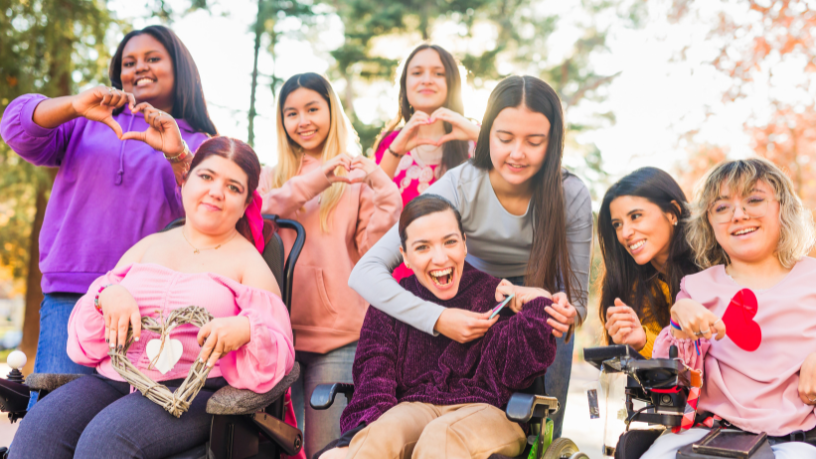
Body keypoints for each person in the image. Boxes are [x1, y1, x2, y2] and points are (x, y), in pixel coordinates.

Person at [10, 136, 296, 459]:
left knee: (106, 441)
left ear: (245, 204)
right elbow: (84, 335)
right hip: (113, 377)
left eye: (233, 187)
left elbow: (279, 348)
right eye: (206, 176)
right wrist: (108, 296)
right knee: (40, 428)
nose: (216, 191)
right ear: (186, 181)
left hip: (189, 390)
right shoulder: (148, 246)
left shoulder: (249, 264)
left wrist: (245, 329)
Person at [348, 75, 591, 439]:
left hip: (536, 313)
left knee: (540, 434)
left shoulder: (570, 194)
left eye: (534, 141)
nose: (517, 153)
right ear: (486, 134)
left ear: (552, 141)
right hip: (473, 305)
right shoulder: (461, 184)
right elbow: (365, 272)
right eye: (505, 139)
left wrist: (568, 313)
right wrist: (439, 317)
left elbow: (577, 299)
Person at [0, 25, 216, 379]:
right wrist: (74, 105)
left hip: (149, 303)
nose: (139, 68)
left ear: (179, 69)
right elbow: (15, 125)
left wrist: (177, 154)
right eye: (129, 62)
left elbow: (206, 216)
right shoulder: (84, 123)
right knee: (55, 418)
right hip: (71, 292)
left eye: (152, 58)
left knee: (121, 424)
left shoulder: (199, 143)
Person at [318, 195, 557, 459]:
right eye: (423, 247)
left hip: (489, 411)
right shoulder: (392, 304)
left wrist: (534, 299)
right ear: (405, 257)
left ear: (465, 244)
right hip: (415, 406)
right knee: (382, 433)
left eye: (450, 242)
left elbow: (520, 367)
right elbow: (374, 378)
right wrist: (354, 438)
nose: (440, 258)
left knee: (441, 436)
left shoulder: (496, 295)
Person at [258, 73, 402, 456]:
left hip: (337, 340)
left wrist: (380, 184)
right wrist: (318, 178)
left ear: (331, 111)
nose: (302, 120)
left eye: (312, 109)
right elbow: (262, 214)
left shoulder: (355, 181)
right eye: (292, 113)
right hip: (276, 339)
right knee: (278, 449)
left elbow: (373, 249)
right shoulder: (271, 178)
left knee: (328, 450)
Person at [642, 158, 816, 458]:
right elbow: (673, 380)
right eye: (722, 207)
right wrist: (678, 325)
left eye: (754, 199)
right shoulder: (696, 288)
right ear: (709, 221)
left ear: (783, 207)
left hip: (795, 440)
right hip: (707, 436)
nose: (738, 214)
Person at [372, 43, 479, 281]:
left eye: (438, 73)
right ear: (405, 85)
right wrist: (395, 150)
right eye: (417, 73)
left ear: (452, 83)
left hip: (470, 275)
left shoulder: (475, 138)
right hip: (405, 279)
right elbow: (369, 200)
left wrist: (476, 134)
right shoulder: (391, 143)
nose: (427, 80)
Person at [597, 167, 699, 358]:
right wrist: (640, 340)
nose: (625, 233)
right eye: (617, 224)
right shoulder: (631, 287)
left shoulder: (712, 267)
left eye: (635, 216)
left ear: (673, 213)